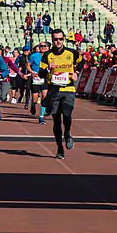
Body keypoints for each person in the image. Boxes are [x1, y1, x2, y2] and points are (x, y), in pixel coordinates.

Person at [41, 28, 78, 159]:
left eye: (60, 39)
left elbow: (82, 63)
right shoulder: (47, 55)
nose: (58, 41)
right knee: (56, 120)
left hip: (68, 89)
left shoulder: (72, 53)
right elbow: (40, 74)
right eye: (56, 39)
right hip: (54, 90)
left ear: (64, 40)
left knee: (67, 115)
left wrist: (76, 73)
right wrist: (47, 68)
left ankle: (67, 134)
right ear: (52, 40)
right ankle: (60, 149)